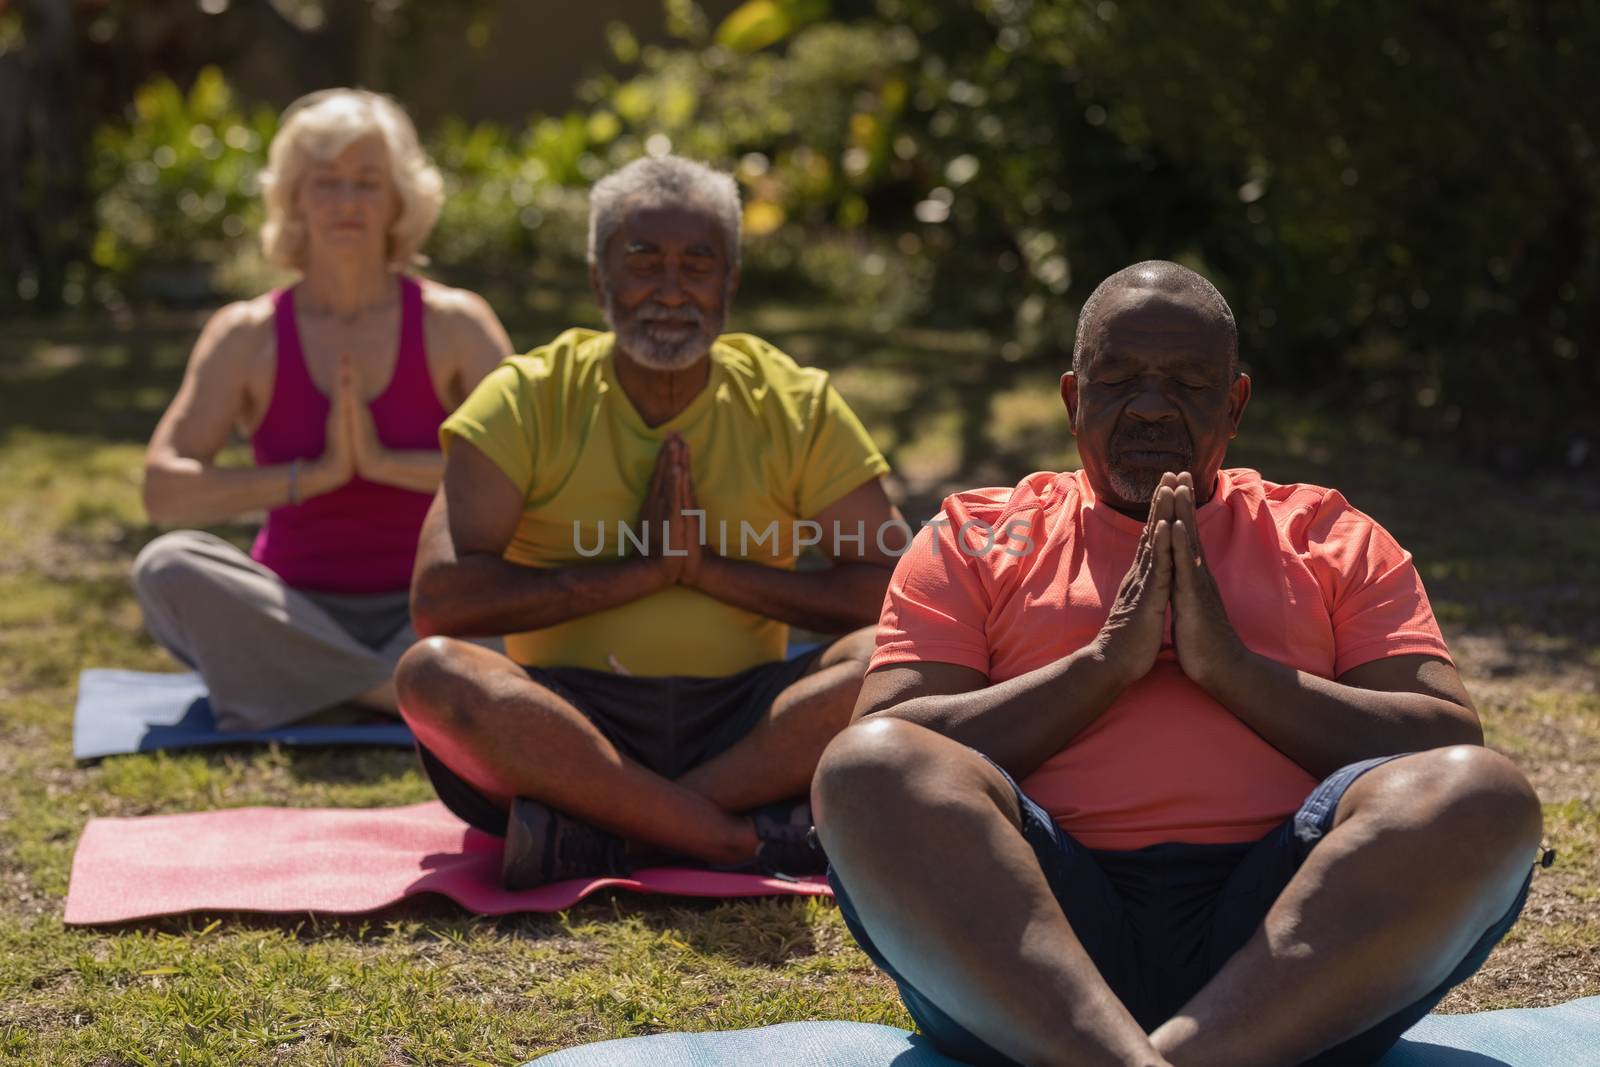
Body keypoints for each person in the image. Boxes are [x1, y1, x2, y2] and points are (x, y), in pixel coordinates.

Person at [812, 261, 1542, 1067]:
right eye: (1118, 377)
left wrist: (1230, 668)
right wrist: (1100, 668)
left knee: (1485, 793)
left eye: (1188, 382)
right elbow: (890, 743)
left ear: (1233, 404)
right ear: (1072, 398)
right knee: (866, 767)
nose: (1151, 404)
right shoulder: (977, 537)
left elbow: (1445, 735)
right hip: (1030, 939)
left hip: (1291, 938)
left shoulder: (1331, 536)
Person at [395, 154, 903, 890]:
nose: (671, 289)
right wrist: (636, 574)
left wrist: (706, 571)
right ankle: (727, 837)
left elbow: (895, 589)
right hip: (568, 720)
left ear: (730, 283)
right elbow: (440, 600)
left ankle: (614, 829)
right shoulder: (528, 397)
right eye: (642, 261)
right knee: (433, 673)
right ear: (599, 279)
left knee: (897, 655)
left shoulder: (794, 401)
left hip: (751, 720)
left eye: (699, 264)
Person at [134, 89, 511, 731]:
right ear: (294, 200)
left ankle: (312, 690)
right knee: (166, 567)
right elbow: (164, 492)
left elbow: (530, 475)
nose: (345, 202)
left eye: (367, 183)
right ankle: (409, 692)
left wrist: (386, 464)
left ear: (399, 201)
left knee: (548, 580)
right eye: (325, 182)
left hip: (430, 607)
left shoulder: (455, 323)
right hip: (293, 609)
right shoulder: (245, 334)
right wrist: (314, 477)